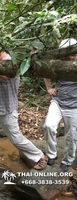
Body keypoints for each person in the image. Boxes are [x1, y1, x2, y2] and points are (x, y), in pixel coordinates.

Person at [43, 38, 77, 172]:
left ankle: (68, 160)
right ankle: (52, 154)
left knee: (72, 136)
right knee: (48, 126)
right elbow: (45, 71)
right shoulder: (59, 63)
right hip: (58, 101)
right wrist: (49, 88)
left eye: (73, 53)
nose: (72, 56)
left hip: (74, 106)